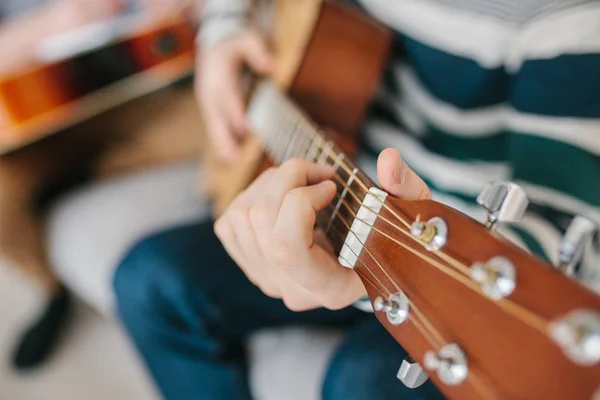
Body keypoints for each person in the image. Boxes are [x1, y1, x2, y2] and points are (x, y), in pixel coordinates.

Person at [113, 0, 600, 399]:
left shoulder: (574, 21)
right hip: (336, 187)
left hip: (449, 260)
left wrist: (370, 281)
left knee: (362, 383)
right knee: (146, 280)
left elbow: (556, 223)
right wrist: (222, 33)